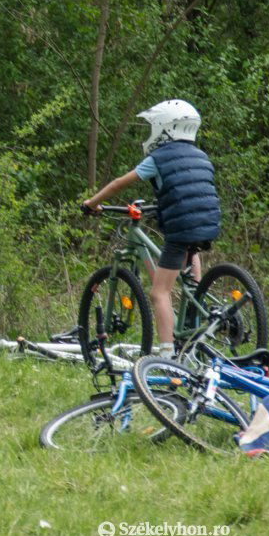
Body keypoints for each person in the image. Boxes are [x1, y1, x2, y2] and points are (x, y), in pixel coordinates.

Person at [83, 100, 221, 356]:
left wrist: (92, 203)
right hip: (208, 223)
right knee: (191, 252)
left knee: (159, 292)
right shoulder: (201, 156)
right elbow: (190, 190)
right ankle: (196, 301)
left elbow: (117, 184)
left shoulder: (159, 158)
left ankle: (167, 353)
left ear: (164, 128)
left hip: (180, 226)